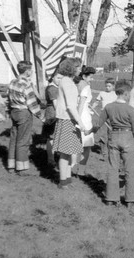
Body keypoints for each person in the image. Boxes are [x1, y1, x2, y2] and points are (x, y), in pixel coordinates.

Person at [90, 82, 134, 208]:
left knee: (113, 168)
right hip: (128, 138)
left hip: (114, 137)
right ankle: (130, 200)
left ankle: (110, 198)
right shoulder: (130, 109)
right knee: (130, 170)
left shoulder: (108, 107)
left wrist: (91, 130)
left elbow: (98, 123)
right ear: (126, 94)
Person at [7, 61, 45, 175]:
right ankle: (21, 168)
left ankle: (11, 166)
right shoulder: (26, 85)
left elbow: (8, 98)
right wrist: (41, 117)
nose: (32, 72)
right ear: (27, 71)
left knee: (14, 139)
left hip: (14, 112)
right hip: (24, 113)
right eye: (31, 70)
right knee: (23, 140)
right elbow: (32, 104)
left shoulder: (12, 82)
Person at [52, 57, 85, 188]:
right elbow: (71, 106)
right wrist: (80, 122)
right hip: (67, 119)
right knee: (65, 153)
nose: (80, 69)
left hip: (69, 119)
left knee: (68, 152)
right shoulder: (66, 82)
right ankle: (63, 181)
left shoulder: (68, 81)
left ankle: (67, 179)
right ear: (72, 68)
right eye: (78, 67)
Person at [75, 66, 96, 177]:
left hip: (77, 114)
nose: (91, 79)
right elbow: (81, 104)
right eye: (90, 77)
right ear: (84, 76)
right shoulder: (85, 86)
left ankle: (72, 167)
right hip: (83, 116)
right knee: (87, 145)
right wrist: (78, 119)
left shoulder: (76, 84)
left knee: (75, 143)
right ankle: (81, 170)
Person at [42, 72, 63, 167]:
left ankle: (55, 157)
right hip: (52, 114)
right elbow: (56, 104)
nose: (60, 80)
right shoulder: (52, 89)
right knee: (51, 137)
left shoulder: (56, 88)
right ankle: (50, 159)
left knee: (55, 137)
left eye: (61, 78)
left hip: (56, 113)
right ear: (53, 77)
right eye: (58, 78)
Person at [93, 78, 117, 160]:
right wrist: (91, 108)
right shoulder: (102, 93)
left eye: (109, 86)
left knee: (111, 134)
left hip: (112, 116)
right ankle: (104, 153)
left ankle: (112, 152)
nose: (107, 87)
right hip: (103, 115)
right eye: (106, 86)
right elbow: (96, 102)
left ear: (113, 86)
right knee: (103, 134)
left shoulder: (115, 94)